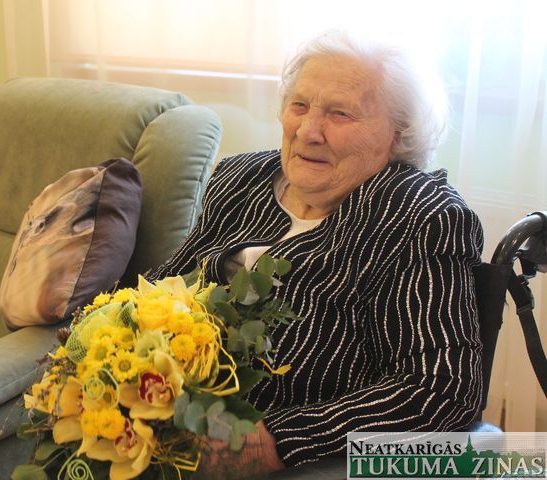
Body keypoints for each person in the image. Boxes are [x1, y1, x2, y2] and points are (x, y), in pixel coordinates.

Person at [149, 30, 484, 475]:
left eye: (340, 113)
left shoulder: (420, 218)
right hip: (158, 425)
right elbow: (160, 290)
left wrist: (278, 441)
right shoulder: (238, 178)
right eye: (300, 105)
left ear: (398, 134)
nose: (308, 131)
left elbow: (440, 390)